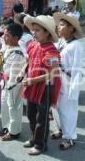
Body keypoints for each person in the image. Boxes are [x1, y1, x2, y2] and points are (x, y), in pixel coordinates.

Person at [22, 15, 61, 155]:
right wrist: (23, 71)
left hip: (45, 88)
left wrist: (31, 80)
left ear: (47, 32)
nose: (34, 33)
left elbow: (52, 74)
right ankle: (33, 138)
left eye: (37, 30)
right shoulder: (33, 45)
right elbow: (29, 62)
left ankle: (40, 144)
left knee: (41, 118)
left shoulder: (51, 50)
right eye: (33, 30)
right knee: (30, 114)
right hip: (33, 86)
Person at [52, 12, 83, 150]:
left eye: (63, 25)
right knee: (56, 107)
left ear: (72, 28)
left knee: (68, 110)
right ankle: (60, 129)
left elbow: (77, 69)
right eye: (59, 25)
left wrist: (74, 89)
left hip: (68, 80)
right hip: (57, 78)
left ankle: (70, 137)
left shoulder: (76, 45)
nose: (59, 27)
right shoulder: (60, 42)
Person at [0, 23, 27, 141]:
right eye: (4, 35)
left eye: (7, 36)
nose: (4, 38)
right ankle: (7, 126)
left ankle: (14, 131)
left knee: (13, 107)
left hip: (12, 85)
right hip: (5, 83)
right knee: (4, 106)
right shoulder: (8, 48)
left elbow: (15, 73)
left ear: (16, 38)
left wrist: (9, 86)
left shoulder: (18, 53)